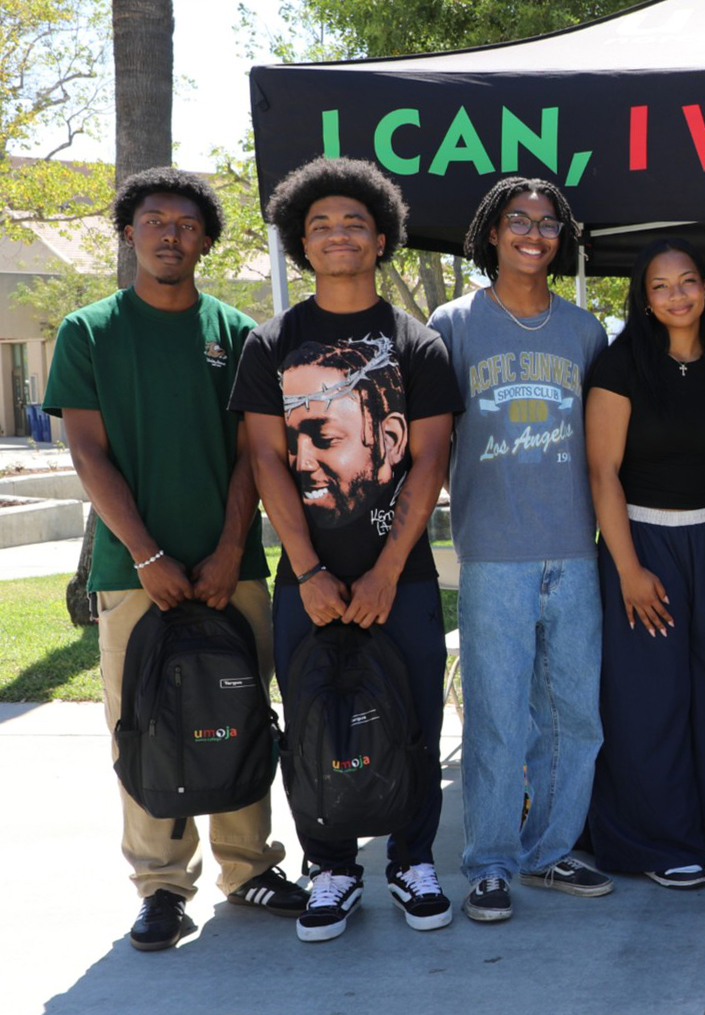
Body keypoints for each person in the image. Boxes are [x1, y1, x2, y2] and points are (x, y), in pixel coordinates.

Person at [43, 167, 305, 952]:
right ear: (129, 233)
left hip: (234, 573)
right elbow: (87, 451)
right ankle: (160, 884)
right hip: (132, 576)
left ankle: (249, 864)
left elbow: (249, 455)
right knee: (144, 726)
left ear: (205, 241)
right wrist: (147, 553)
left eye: (185, 225)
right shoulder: (89, 332)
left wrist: (231, 547)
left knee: (237, 716)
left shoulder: (238, 333)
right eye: (153, 220)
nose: (168, 234)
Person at [230, 157, 462, 943]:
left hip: (407, 580)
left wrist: (389, 569)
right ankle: (328, 867)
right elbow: (266, 460)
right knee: (314, 723)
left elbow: (430, 461)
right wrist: (309, 569)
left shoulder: (417, 344)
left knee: (416, 723)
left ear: (383, 237)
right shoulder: (273, 342)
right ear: (302, 240)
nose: (338, 234)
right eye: (321, 223)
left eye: (354, 222)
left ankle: (412, 859)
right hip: (307, 582)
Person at [428, 178, 610, 923]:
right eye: (518, 222)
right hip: (494, 554)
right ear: (492, 233)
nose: (533, 234)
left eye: (547, 223)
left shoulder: (585, 332)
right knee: (499, 717)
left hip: (574, 551)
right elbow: (435, 443)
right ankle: (491, 864)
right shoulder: (455, 323)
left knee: (573, 715)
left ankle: (550, 848)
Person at [584, 238, 705, 889]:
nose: (677, 295)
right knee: (651, 699)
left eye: (688, 282)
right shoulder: (621, 365)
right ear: (644, 299)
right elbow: (602, 471)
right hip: (645, 545)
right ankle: (654, 837)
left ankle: (702, 829)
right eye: (661, 286)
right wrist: (627, 567)